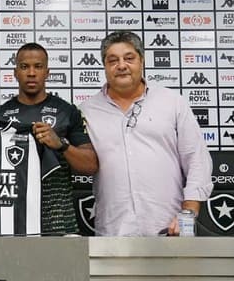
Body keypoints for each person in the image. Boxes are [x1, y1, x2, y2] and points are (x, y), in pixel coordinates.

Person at [79, 31, 213, 236]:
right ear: (104, 66)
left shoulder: (172, 102)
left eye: (129, 58)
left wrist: (188, 213)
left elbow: (197, 160)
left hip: (170, 229)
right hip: (114, 233)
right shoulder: (86, 111)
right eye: (113, 60)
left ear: (142, 60)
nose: (121, 65)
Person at [0, 43, 98, 234]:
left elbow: (90, 165)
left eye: (38, 67)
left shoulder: (67, 111)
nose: (31, 73)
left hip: (58, 219)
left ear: (47, 73)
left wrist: (61, 145)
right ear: (15, 73)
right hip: (12, 219)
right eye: (24, 67)